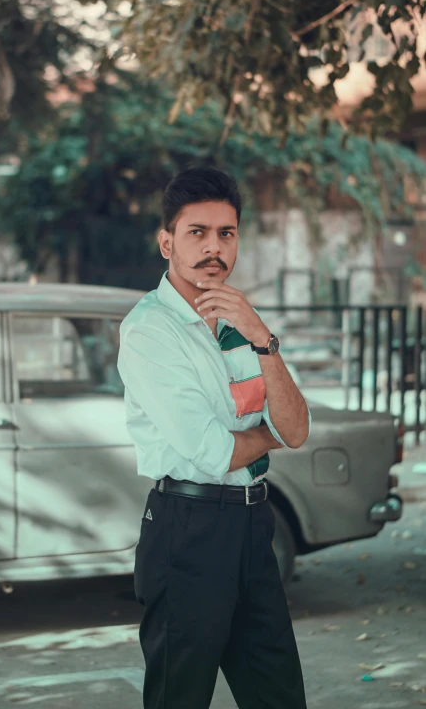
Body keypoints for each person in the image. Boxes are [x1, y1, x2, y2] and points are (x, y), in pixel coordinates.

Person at [117, 167, 311, 709]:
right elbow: (217, 449)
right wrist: (270, 434)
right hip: (187, 532)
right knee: (180, 699)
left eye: (226, 233)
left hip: (254, 527)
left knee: (279, 696)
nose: (213, 248)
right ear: (166, 242)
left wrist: (263, 339)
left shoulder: (240, 322)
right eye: (196, 232)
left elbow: (297, 426)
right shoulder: (149, 329)